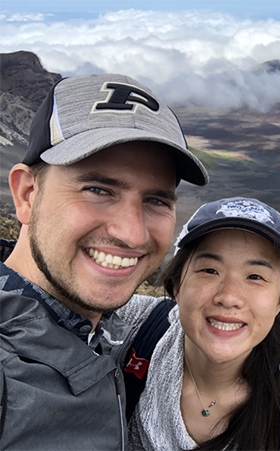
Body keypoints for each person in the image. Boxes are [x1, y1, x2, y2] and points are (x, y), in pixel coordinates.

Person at [0, 73, 209, 450]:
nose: (132, 234)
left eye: (156, 200)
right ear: (27, 195)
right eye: (98, 189)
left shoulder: (97, 326)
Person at [117, 197, 280, 450]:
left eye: (255, 276)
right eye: (210, 270)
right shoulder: (130, 327)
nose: (228, 297)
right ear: (177, 286)